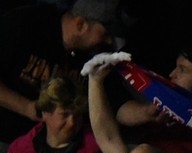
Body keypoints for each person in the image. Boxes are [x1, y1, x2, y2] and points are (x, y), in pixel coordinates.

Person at [0, 0, 118, 141]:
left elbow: (115, 103)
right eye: (105, 34)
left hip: (50, 148)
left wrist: (144, 111)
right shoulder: (24, 24)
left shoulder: (95, 55)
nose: (109, 41)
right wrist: (25, 106)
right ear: (80, 25)